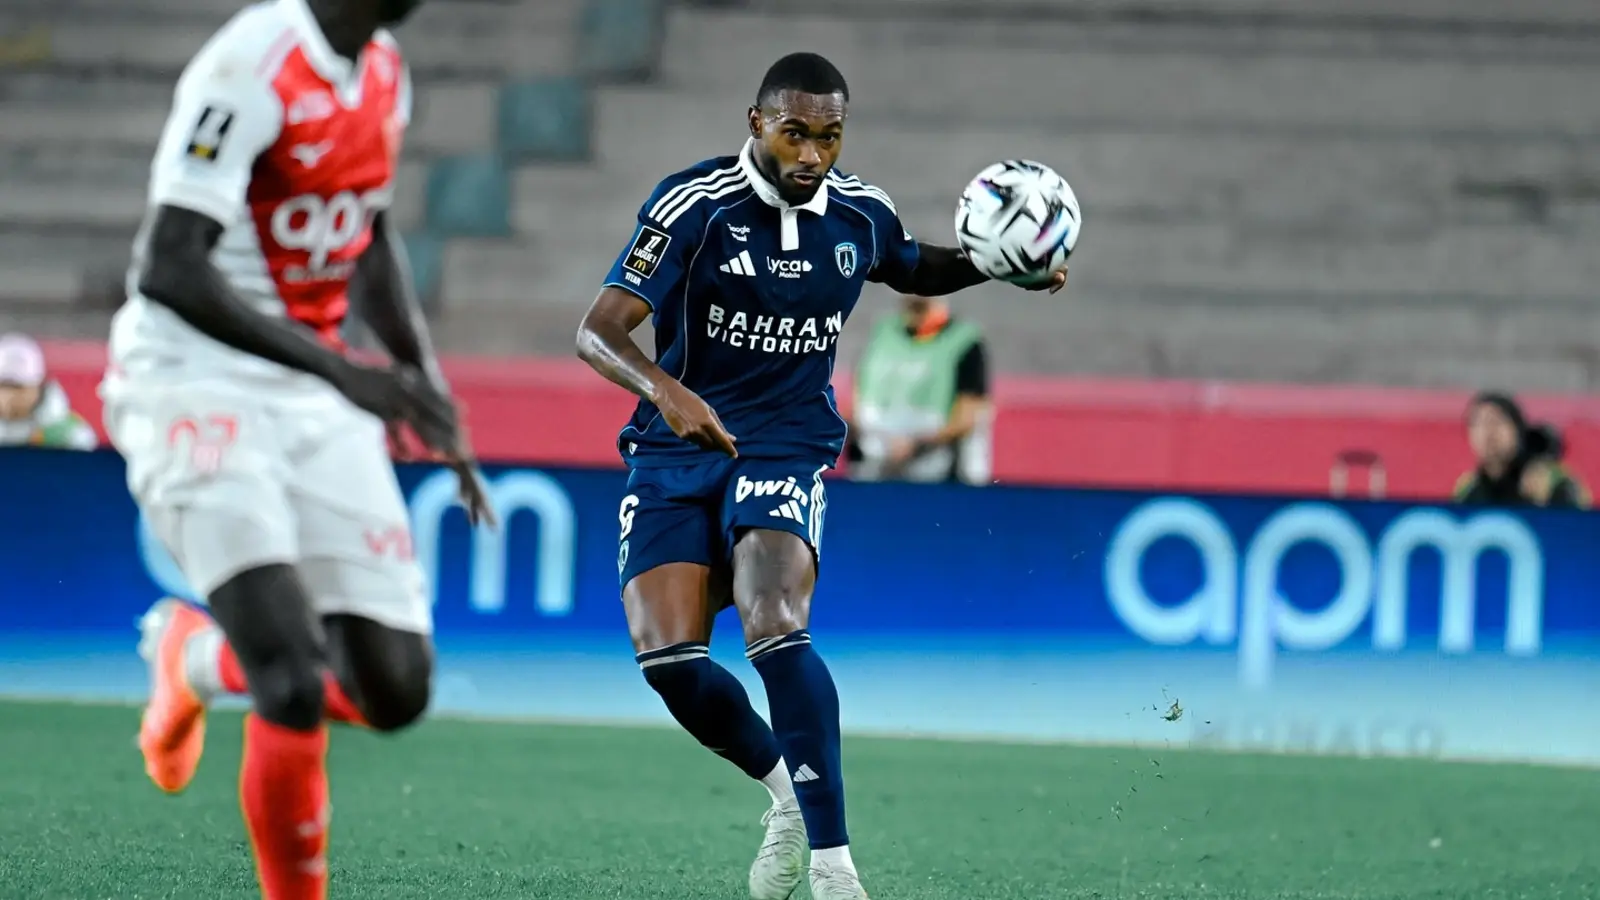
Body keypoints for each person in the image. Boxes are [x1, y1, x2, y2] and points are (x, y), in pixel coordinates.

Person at [575, 52, 1067, 900]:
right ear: (756, 123)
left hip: (785, 444)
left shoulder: (859, 214)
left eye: (829, 137)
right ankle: (785, 797)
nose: (812, 155)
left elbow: (919, 266)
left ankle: (836, 869)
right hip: (675, 445)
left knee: (774, 622)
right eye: (795, 133)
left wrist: (1003, 261)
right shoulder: (692, 206)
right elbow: (598, 330)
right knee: (669, 661)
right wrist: (668, 391)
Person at [98, 1, 493, 898]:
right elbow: (169, 265)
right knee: (291, 679)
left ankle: (192, 659)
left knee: (395, 688)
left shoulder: (384, 68)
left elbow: (368, 230)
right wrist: (347, 372)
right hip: (192, 379)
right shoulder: (249, 65)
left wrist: (419, 380)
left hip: (310, 393)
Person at [846, 293, 992, 485]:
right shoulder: (883, 332)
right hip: (874, 463)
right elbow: (858, 394)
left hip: (933, 468)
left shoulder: (964, 342)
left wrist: (916, 446)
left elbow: (967, 416)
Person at [1453, 391, 1587, 508]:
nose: (1487, 432)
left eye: (1496, 421)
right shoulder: (1468, 488)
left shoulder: (1551, 479)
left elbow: (1581, 527)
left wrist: (1543, 507)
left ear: (1517, 431)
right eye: (1478, 423)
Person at [0, 332, 98, 450]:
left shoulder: (69, 434)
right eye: (2, 386)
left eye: (18, 387)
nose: (8, 396)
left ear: (39, 386)